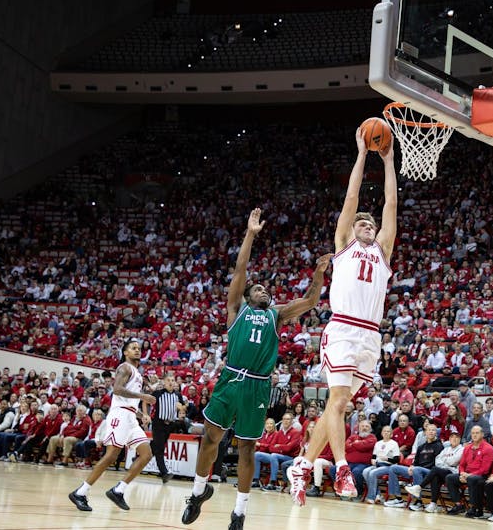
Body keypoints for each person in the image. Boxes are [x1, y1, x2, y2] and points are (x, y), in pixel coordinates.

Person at [180, 208, 330, 530]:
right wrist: (250, 233)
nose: (264, 290)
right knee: (210, 439)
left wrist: (319, 273)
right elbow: (240, 269)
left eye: (266, 289)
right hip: (230, 378)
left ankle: (239, 512)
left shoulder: (277, 314)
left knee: (247, 447)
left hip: (258, 386)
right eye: (258, 289)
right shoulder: (236, 310)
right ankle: (197, 492)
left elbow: (311, 300)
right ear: (247, 296)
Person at [288, 132, 397, 507]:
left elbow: (391, 207)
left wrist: (387, 160)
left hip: (370, 336)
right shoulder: (344, 246)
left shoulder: (382, 251)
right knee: (337, 402)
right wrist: (362, 155)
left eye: (370, 225)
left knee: (341, 405)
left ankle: (301, 464)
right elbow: (352, 198)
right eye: (361, 225)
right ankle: (341, 467)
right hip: (344, 327)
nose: (367, 227)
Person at [68, 339, 156, 512]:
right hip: (120, 416)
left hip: (130, 416)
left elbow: (127, 400)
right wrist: (143, 396)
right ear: (125, 352)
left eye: (139, 348)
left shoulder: (137, 373)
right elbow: (116, 390)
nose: (137, 350)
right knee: (111, 456)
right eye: (133, 348)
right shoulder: (124, 368)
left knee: (146, 454)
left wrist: (141, 414)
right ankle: (81, 492)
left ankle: (118, 490)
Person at [151, 374, 186, 483]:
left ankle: (138, 457)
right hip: (158, 423)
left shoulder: (178, 395)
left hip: (170, 424)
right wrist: (146, 415)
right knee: (160, 449)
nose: (171, 382)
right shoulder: (157, 394)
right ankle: (164, 473)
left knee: (156, 444)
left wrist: (183, 408)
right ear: (164, 382)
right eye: (168, 380)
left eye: (172, 380)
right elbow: (145, 401)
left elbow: (183, 408)